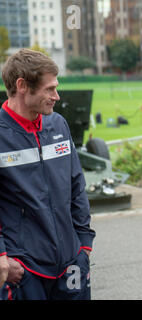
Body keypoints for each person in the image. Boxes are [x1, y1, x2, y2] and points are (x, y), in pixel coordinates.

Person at [0, 49, 95, 300]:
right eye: (49, 89)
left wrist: (83, 246)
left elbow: (76, 184)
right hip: (23, 271)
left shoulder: (58, 124)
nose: (57, 96)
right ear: (22, 85)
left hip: (72, 265)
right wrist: (2, 258)